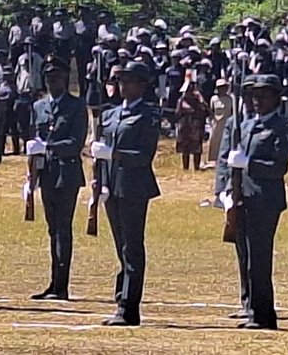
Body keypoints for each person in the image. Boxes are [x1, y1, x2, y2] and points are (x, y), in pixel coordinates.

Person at [224, 73, 288, 331]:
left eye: (264, 95)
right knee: (245, 257)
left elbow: (278, 167)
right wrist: (229, 189)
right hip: (243, 197)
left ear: (276, 99)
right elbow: (232, 163)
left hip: (265, 200)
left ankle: (263, 315)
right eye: (254, 95)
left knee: (259, 258)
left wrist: (249, 164)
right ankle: (253, 308)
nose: (257, 100)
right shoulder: (244, 126)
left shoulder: (281, 128)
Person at [93, 58, 160, 326]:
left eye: (129, 81)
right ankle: (121, 297)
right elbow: (100, 155)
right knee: (120, 245)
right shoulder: (109, 114)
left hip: (134, 186)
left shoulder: (148, 115)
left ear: (141, 85)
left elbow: (144, 155)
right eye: (120, 80)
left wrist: (114, 154)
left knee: (132, 246)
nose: (123, 85)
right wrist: (99, 179)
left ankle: (129, 307)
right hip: (112, 186)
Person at [28, 54, 87, 302]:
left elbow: (75, 143)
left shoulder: (76, 106)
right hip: (46, 174)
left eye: (57, 77)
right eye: (49, 77)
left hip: (67, 173)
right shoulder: (39, 107)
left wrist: (48, 147)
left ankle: (61, 285)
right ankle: (53, 282)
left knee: (63, 229)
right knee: (53, 230)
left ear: (65, 78)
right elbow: (34, 142)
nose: (53, 81)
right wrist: (30, 176)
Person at [175, 82, 209, 171]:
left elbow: (206, 111)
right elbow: (177, 114)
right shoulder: (181, 101)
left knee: (196, 148)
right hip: (184, 127)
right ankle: (185, 168)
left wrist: (201, 100)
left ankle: (196, 168)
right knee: (185, 149)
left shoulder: (198, 101)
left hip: (196, 128)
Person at [207, 79, 232, 168]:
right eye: (221, 87)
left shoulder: (230, 99)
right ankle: (214, 160)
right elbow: (211, 111)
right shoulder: (213, 99)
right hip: (216, 124)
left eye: (224, 87)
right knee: (214, 141)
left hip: (227, 123)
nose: (223, 89)